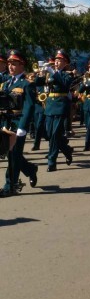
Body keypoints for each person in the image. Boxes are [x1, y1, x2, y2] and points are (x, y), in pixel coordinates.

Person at [0, 49, 37, 197]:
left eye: (14, 64)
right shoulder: (6, 83)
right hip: (5, 122)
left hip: (17, 123)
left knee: (14, 155)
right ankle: (30, 169)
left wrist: (23, 126)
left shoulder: (27, 84)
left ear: (22, 65)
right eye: (9, 64)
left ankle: (10, 186)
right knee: (11, 155)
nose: (10, 66)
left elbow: (29, 106)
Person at [36, 49, 74, 172]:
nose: (56, 62)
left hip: (60, 105)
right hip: (50, 105)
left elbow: (65, 84)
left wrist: (52, 71)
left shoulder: (68, 74)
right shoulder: (50, 73)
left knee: (54, 134)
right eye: (56, 60)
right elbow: (38, 83)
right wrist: (41, 73)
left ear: (66, 62)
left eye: (60, 60)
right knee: (49, 133)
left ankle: (51, 162)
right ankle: (67, 150)